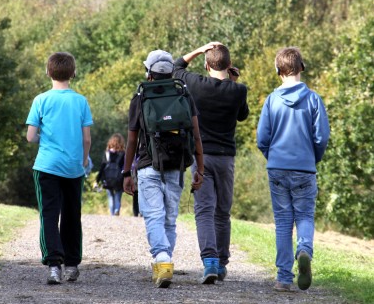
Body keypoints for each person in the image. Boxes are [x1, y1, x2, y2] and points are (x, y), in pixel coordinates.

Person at [122, 50, 204, 288]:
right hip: (178, 165)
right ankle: (163, 265)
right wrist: (200, 167)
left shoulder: (140, 97)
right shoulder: (184, 94)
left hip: (148, 165)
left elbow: (131, 141)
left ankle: (162, 258)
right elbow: (196, 136)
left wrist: (127, 172)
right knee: (169, 218)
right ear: (170, 71)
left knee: (153, 216)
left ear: (149, 72)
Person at [173, 42, 249, 284]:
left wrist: (198, 49)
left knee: (204, 210)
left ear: (206, 65)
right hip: (226, 157)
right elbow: (242, 115)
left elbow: (176, 68)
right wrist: (233, 83)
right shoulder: (238, 90)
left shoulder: (196, 84)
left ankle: (210, 262)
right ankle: (223, 262)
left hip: (201, 157)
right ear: (229, 66)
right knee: (222, 212)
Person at [256, 47, 330, 292]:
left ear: (278, 71)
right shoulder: (313, 99)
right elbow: (321, 137)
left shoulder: (271, 100)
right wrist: (311, 159)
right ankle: (304, 251)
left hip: (277, 167)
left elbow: (262, 139)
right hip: (304, 169)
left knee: (283, 222)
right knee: (305, 216)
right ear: (302, 68)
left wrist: (274, 157)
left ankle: (284, 278)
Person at [26, 52, 93, 284]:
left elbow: (30, 136)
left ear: (48, 72)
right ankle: (72, 264)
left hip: (46, 166)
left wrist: (43, 137)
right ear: (73, 73)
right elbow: (87, 140)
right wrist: (83, 161)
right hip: (74, 168)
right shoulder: (81, 101)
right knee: (72, 215)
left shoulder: (40, 100)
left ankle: (54, 265)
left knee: (49, 215)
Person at [95, 133, 125, 216]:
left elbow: (102, 167)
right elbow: (124, 167)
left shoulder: (107, 153)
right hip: (119, 178)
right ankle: (117, 209)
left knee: (110, 196)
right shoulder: (123, 153)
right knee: (118, 195)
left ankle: (112, 214)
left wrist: (97, 180)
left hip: (107, 178)